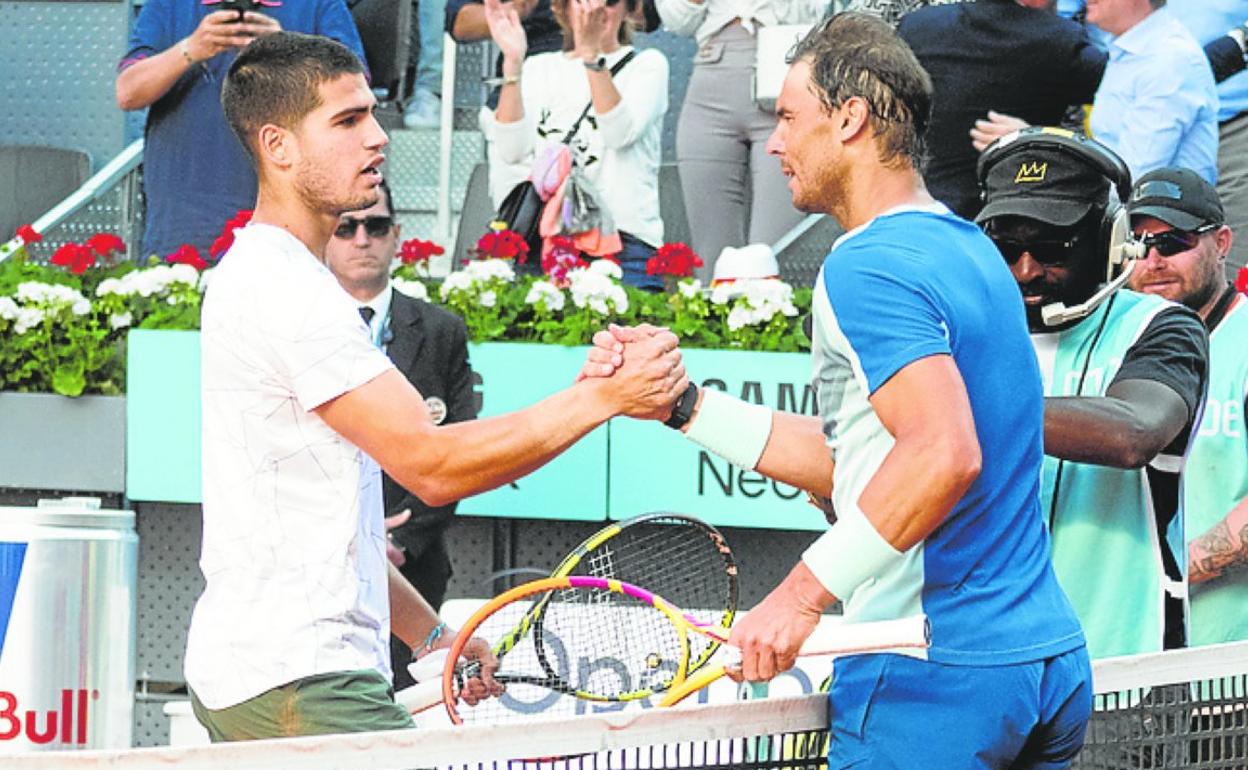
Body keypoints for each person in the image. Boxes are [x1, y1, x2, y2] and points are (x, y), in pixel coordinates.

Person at [590, 15, 1092, 767]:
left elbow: (943, 456)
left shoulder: (867, 265)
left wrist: (798, 596)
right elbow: (868, 467)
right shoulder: (969, 247)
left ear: (850, 118)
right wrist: (682, 405)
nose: (774, 142)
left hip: (931, 672)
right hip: (1042, 664)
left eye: (789, 117)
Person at [186, 31, 686, 741]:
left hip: (270, 673)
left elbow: (328, 525)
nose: (378, 138)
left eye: (372, 114)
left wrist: (431, 638)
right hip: (302, 678)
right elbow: (432, 463)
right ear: (278, 146)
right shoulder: (290, 291)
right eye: (347, 120)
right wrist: (602, 398)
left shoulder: (273, 275)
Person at [975, 128, 1209, 659]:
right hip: (985, 671)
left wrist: (949, 412)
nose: (1027, 269)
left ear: (1113, 238)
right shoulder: (963, 333)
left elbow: (1134, 431)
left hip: (1122, 670)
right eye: (1007, 248)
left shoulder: (1162, 326)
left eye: (1054, 247)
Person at [323, 179, 476, 689]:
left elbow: (457, 450)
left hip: (416, 569)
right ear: (328, 236)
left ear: (397, 236)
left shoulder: (440, 331)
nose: (362, 239)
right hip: (322, 569)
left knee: (411, 721)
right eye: (347, 227)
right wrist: (356, 537)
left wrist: (399, 543)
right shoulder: (306, 325)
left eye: (376, 225)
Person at [115, 0, 367, 260]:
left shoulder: (319, 4)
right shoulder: (169, 4)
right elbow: (128, 93)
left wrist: (288, 52)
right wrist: (191, 48)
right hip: (185, 229)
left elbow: (356, 94)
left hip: (291, 224)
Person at [1125, 167, 1248, 647]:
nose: (1153, 260)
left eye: (1174, 243)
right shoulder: (1116, 340)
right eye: (1138, 245)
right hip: (1131, 656)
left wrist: (1168, 572)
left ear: (1221, 243)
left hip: (1230, 660)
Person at [482, 0, 668, 289]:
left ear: (628, 10)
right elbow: (512, 149)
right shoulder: (539, 67)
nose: (595, 10)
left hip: (624, 241)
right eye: (583, 1)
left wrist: (592, 57)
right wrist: (513, 64)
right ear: (563, 9)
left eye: (609, 2)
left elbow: (619, 133)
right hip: (548, 240)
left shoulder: (648, 65)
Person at [970, 0, 1219, 187]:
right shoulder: (1129, 50)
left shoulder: (1167, 61)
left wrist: (1035, 144)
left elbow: (1129, 178)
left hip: (1161, 241)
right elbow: (1107, 151)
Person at [897, 0, 1105, 219]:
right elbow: (1125, 86)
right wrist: (1038, 139)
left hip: (913, 210)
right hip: (1009, 223)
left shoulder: (917, 27)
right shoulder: (1060, 41)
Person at [655, 0, 808, 282]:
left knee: (775, 256)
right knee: (711, 257)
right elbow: (676, 19)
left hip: (784, 64)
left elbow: (815, 10)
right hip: (711, 67)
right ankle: (713, 322)